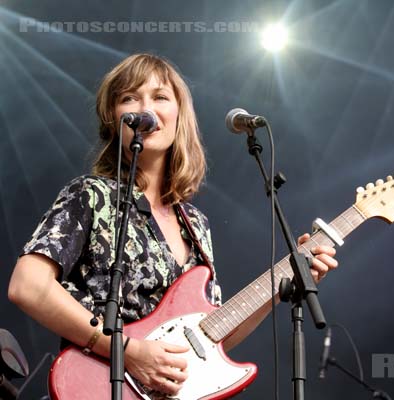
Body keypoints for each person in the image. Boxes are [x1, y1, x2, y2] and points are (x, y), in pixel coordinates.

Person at [7, 53, 338, 396]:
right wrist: (127, 352)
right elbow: (28, 287)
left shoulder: (195, 224)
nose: (145, 108)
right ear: (114, 119)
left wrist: (285, 283)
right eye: (129, 98)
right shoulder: (91, 195)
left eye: (160, 97)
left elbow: (212, 335)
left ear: (180, 116)